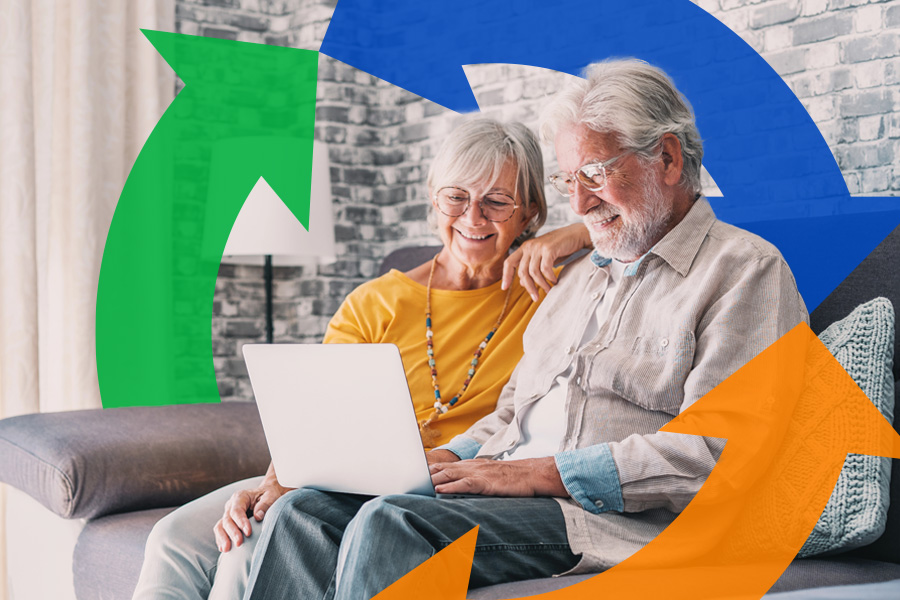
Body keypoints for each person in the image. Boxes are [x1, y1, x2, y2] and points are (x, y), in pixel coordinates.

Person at [241, 58, 809, 600]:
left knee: (397, 521)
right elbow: (512, 416)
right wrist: (452, 458)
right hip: (515, 488)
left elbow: (719, 453)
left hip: (611, 521)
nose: (581, 203)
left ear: (666, 158)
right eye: (569, 180)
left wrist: (536, 474)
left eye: (594, 174)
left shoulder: (745, 271)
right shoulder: (575, 281)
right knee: (305, 511)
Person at [131, 118, 590, 600]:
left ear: (531, 212)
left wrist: (575, 234)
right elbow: (313, 419)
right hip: (348, 474)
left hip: (450, 481)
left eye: (496, 202)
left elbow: (641, 227)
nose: (473, 218)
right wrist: (274, 484)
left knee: (247, 546)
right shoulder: (377, 301)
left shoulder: (554, 291)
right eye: (456, 197)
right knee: (174, 538)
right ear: (435, 198)